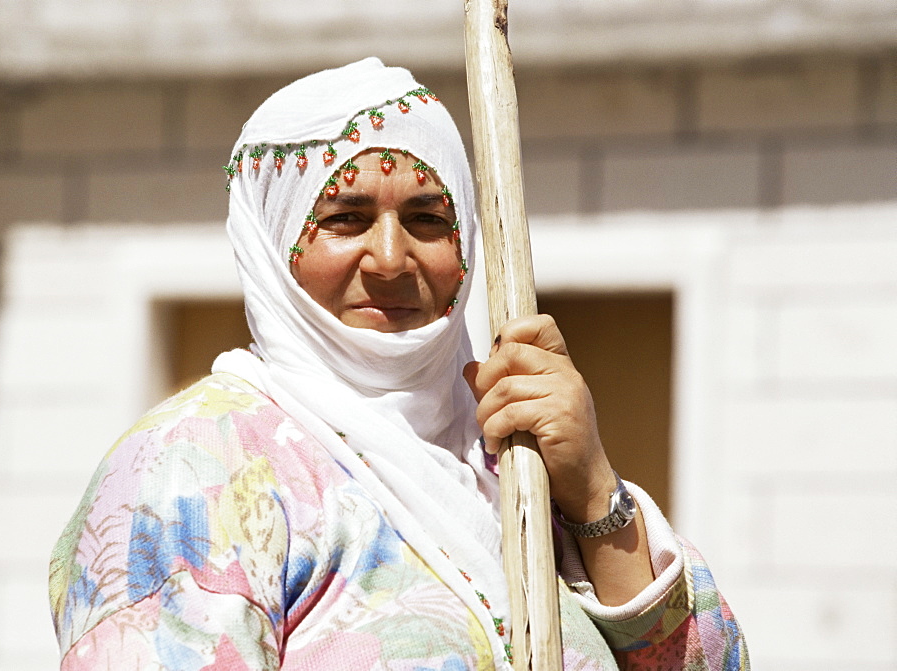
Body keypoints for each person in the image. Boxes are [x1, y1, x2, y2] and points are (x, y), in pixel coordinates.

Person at [49, 58, 748, 670]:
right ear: (270, 242)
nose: (390, 259)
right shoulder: (193, 467)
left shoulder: (515, 460)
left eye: (427, 219)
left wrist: (594, 491)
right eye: (345, 218)